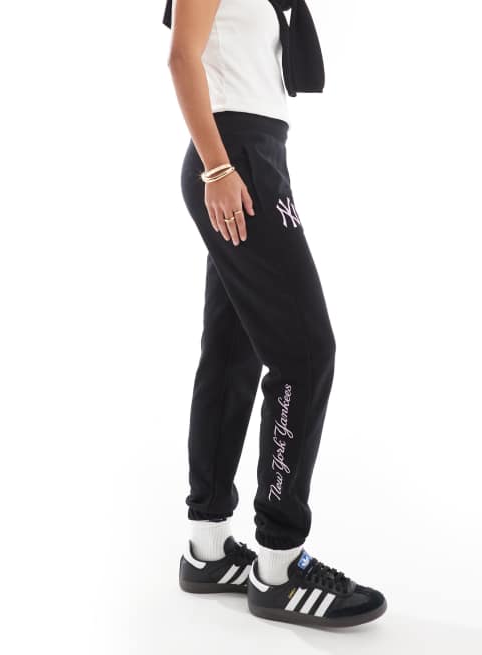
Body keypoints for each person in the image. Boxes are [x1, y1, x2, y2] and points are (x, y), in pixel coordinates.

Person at [163, 0, 387, 628]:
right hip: (234, 159)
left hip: (256, 155)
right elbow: (181, 58)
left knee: (233, 352)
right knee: (305, 355)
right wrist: (219, 167)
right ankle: (281, 565)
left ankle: (208, 550)